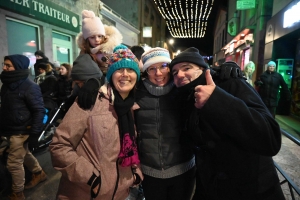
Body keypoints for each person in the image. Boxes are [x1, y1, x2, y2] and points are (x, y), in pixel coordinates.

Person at [169, 47, 285, 200]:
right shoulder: (186, 98)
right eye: (175, 72)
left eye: (187, 68)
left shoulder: (230, 82)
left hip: (252, 191)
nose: (180, 75)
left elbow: (270, 137)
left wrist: (217, 99)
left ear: (203, 69)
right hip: (213, 190)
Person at [49, 45, 143, 200]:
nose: (125, 74)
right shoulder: (91, 101)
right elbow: (59, 146)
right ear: (111, 74)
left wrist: (135, 174)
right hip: (86, 193)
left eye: (131, 70)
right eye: (119, 69)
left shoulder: (134, 106)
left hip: (121, 194)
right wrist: (91, 178)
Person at [133, 47, 196, 200]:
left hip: (183, 169)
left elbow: (205, 78)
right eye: (152, 68)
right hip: (150, 173)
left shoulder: (184, 90)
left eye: (163, 66)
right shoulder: (136, 92)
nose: (158, 73)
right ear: (145, 71)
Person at [0, 55, 47, 200]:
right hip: (10, 128)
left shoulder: (30, 87)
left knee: (14, 163)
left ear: (18, 67)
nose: (4, 68)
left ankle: (18, 193)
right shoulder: (7, 85)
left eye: (8, 66)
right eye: (4, 64)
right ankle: (39, 173)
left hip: (21, 130)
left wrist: (34, 134)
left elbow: (39, 110)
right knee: (23, 153)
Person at [76, 10, 123, 76]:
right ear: (87, 39)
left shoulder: (112, 48)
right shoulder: (84, 53)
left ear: (104, 36)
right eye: (92, 37)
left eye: (100, 36)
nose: (97, 40)